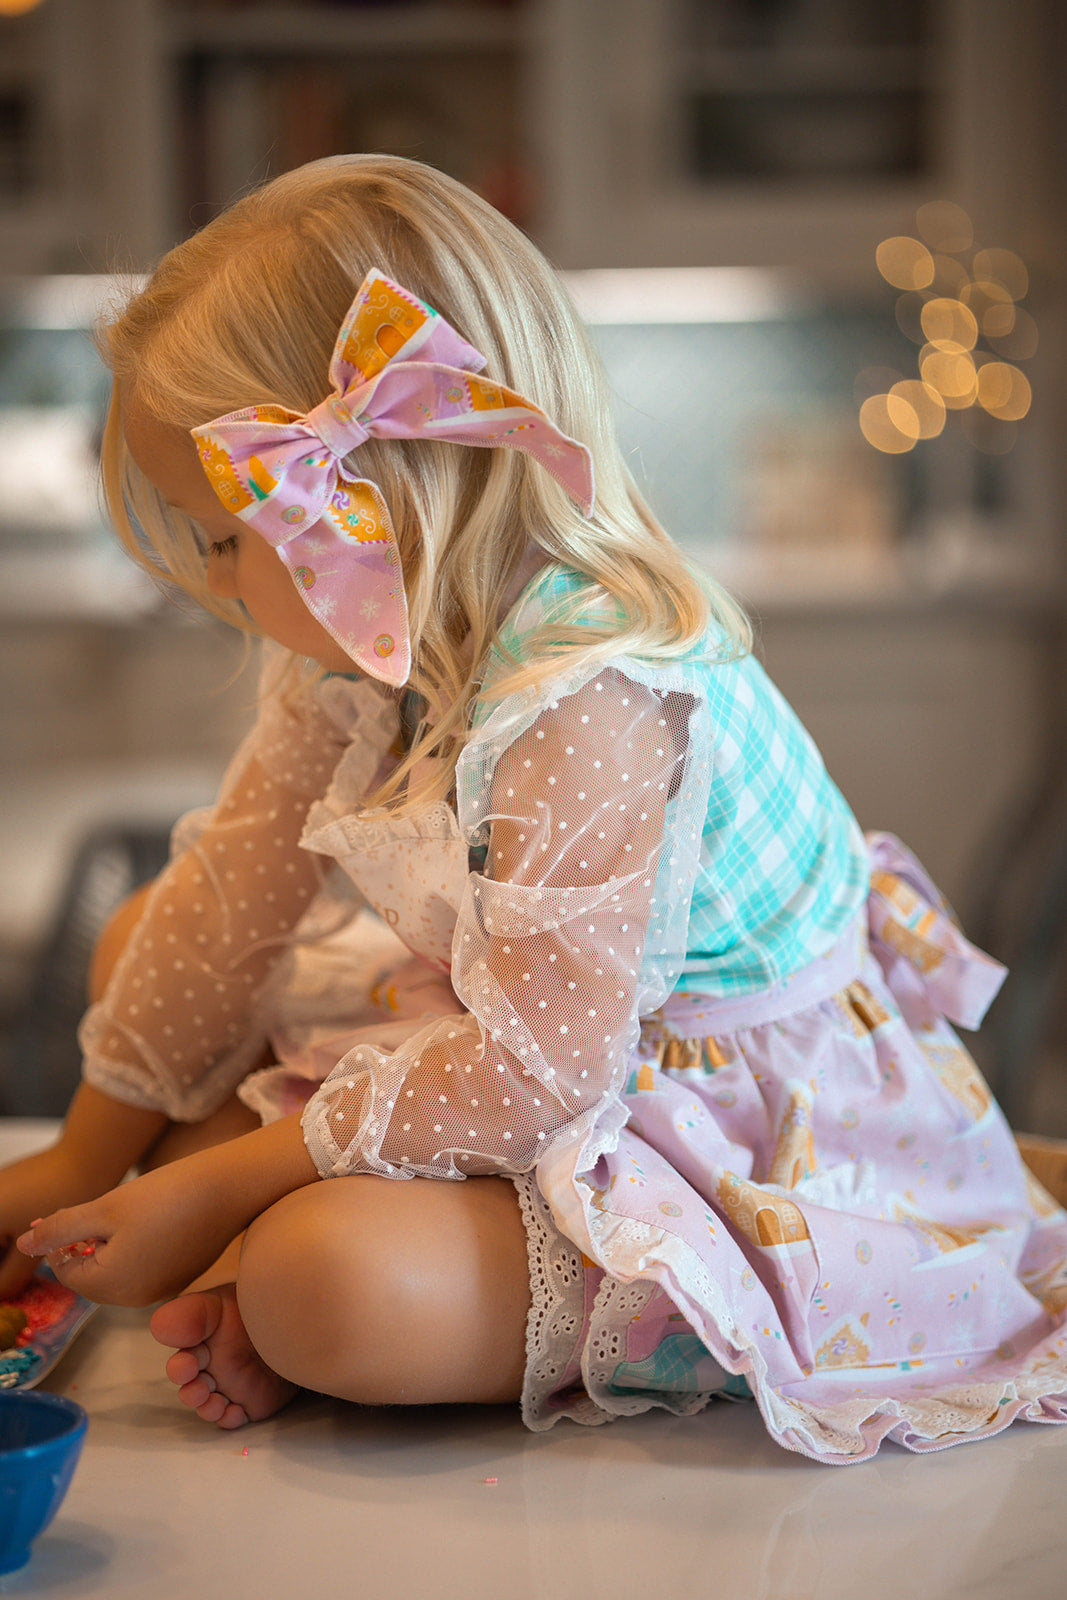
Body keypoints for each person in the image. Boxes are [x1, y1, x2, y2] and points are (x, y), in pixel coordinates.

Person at [4, 153, 1067, 1461]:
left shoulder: (590, 690)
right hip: (542, 1024)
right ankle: (245, 1263)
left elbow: (544, 1081)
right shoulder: (360, 634)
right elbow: (229, 894)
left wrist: (214, 1177)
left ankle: (652, 1311)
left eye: (221, 538)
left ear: (372, 502)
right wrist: (81, 1156)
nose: (214, 584)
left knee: (319, 1284)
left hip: (701, 1110)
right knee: (153, 959)